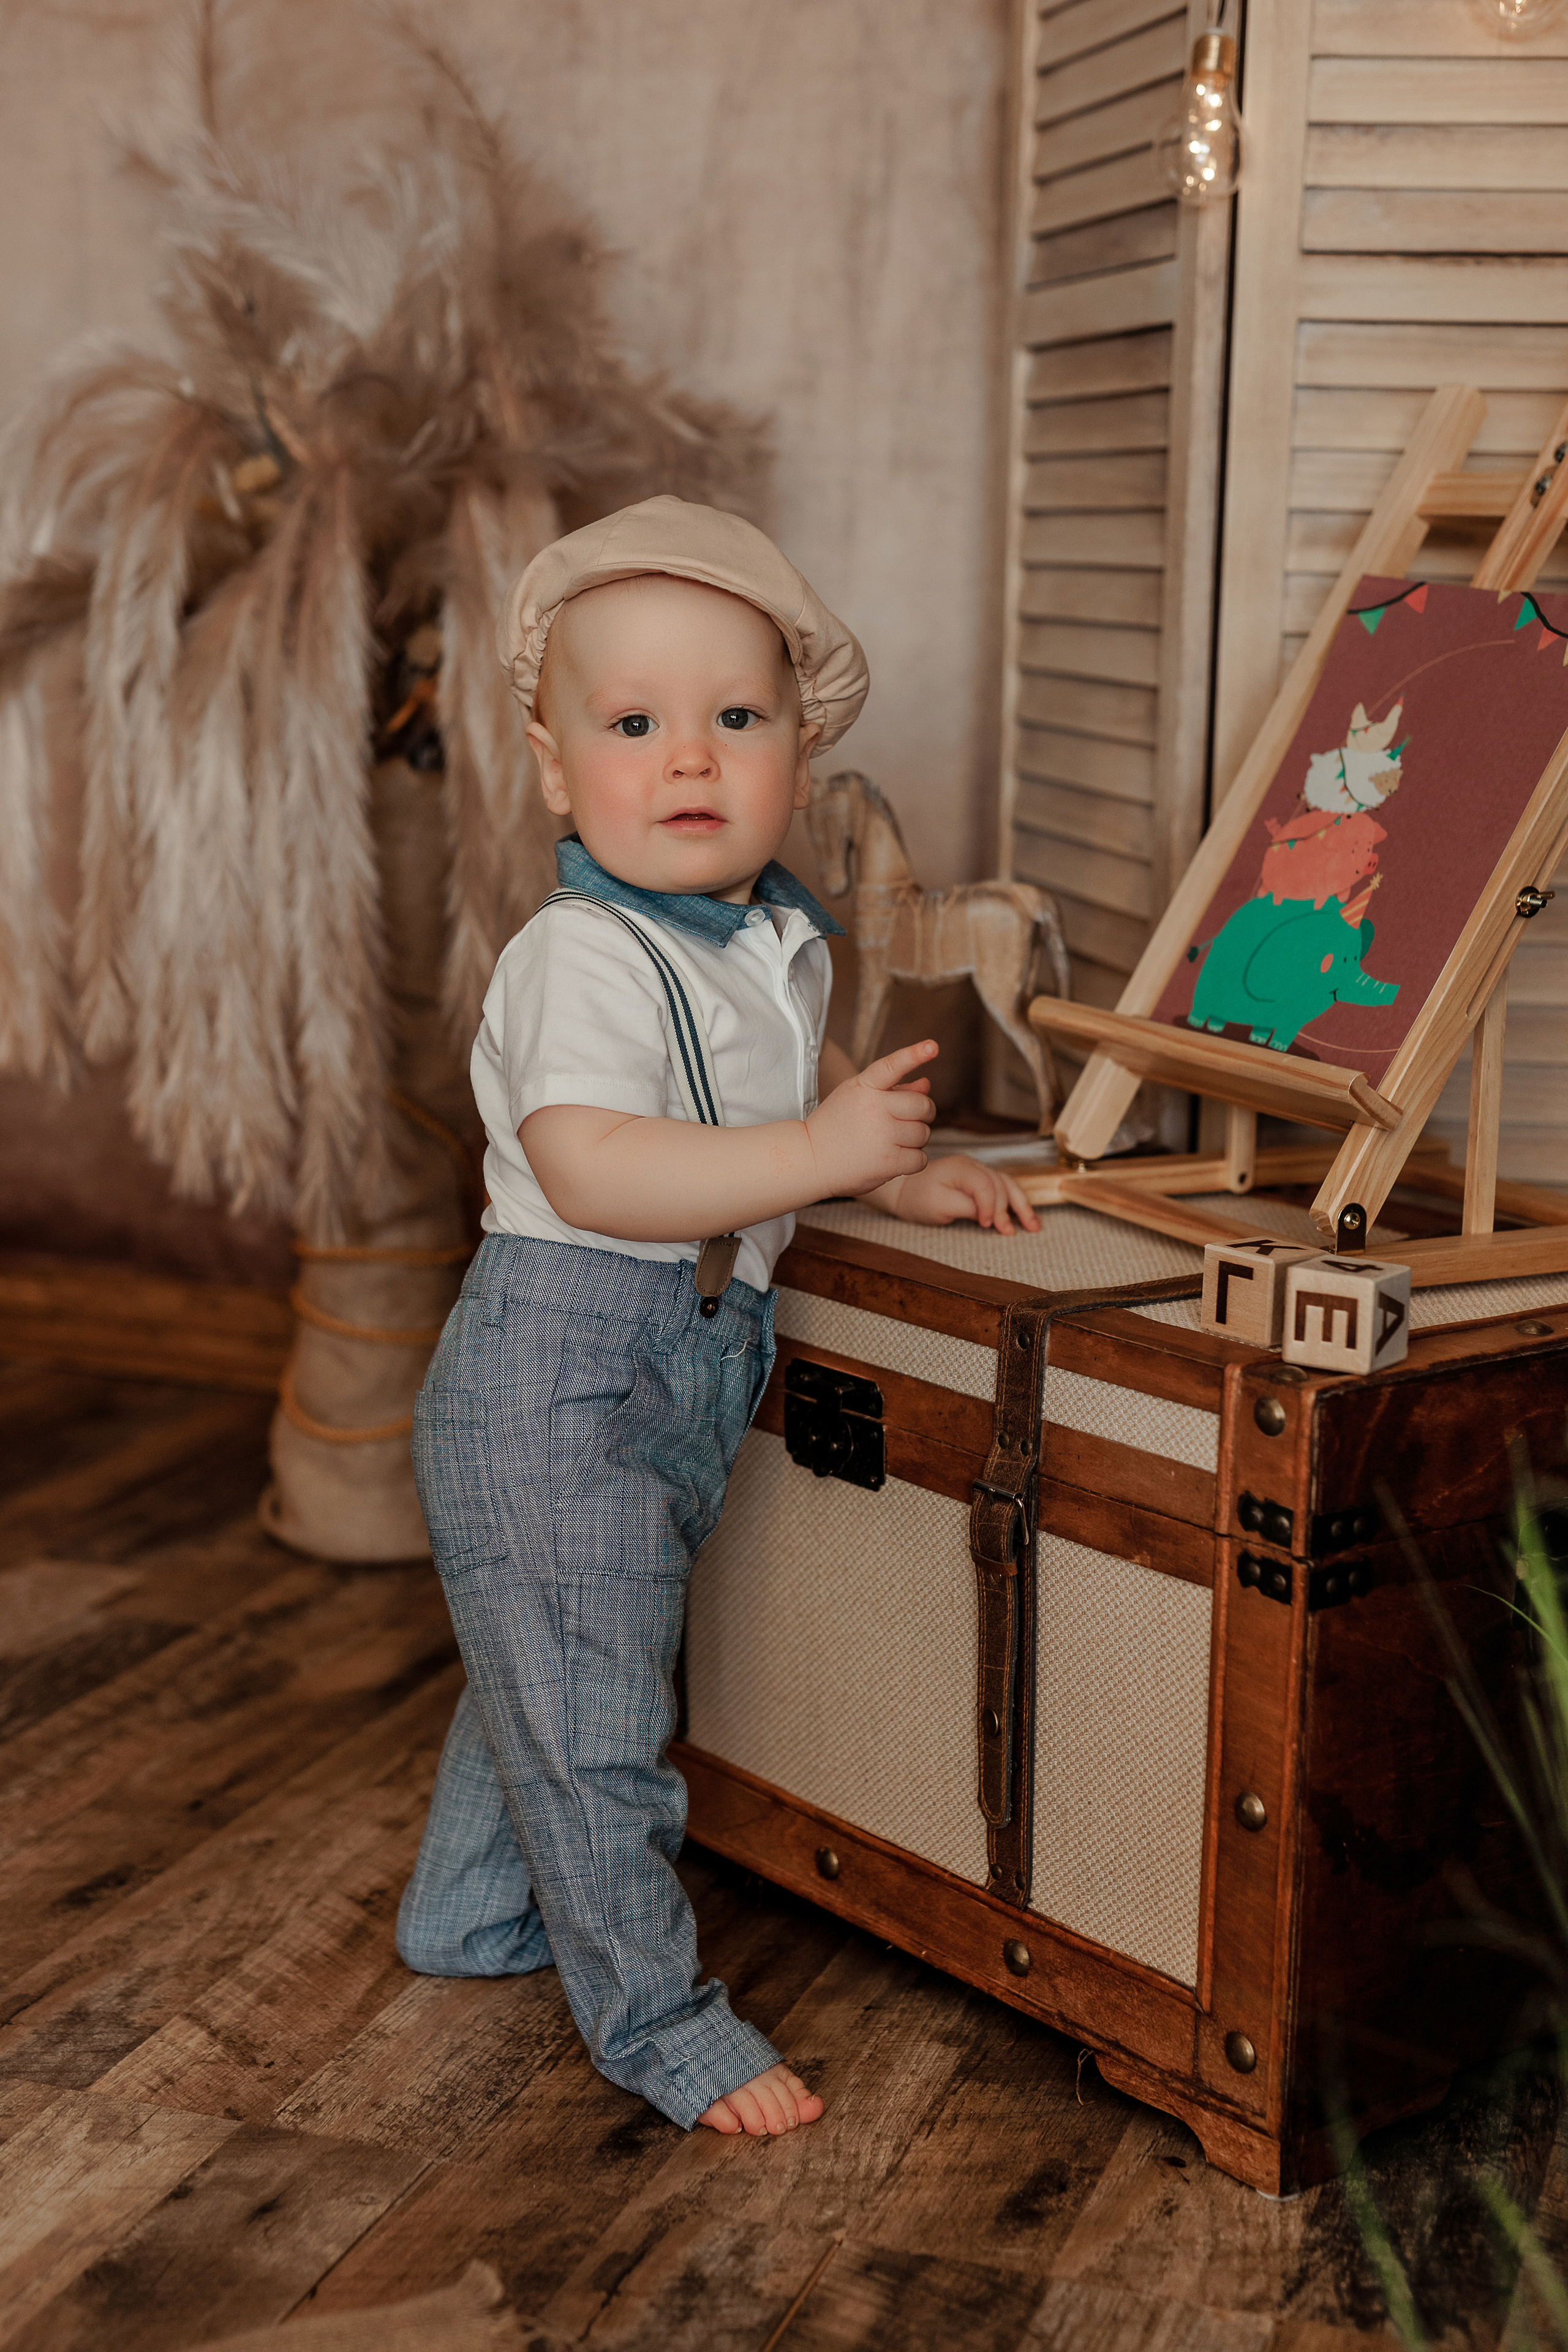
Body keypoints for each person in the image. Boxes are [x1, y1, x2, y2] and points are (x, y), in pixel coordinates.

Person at [396, 496, 1041, 2140]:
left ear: (796, 757)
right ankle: (660, 2024)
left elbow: (785, 1086)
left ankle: (469, 1918)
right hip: (562, 1363)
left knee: (540, 1666)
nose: (689, 759)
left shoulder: (766, 938)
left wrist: (893, 1181)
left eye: (735, 720)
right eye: (634, 725)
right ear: (555, 771)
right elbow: (592, 1162)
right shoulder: (579, 954)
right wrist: (816, 1156)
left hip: (680, 1368)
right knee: (601, 1721)